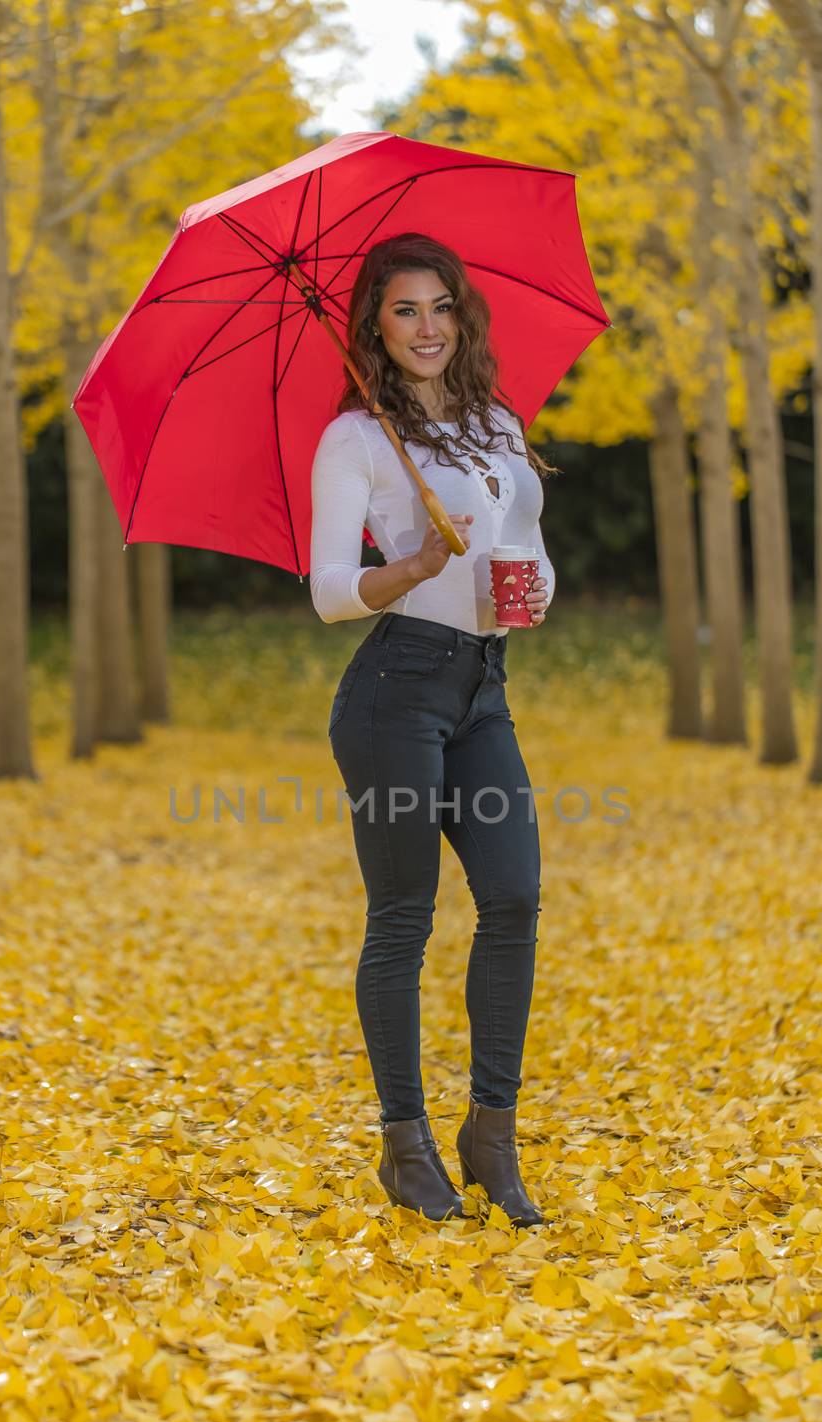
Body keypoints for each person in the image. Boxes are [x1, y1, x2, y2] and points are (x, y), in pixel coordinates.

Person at [309, 232, 557, 1228]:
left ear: (463, 317)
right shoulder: (356, 441)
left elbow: (523, 545)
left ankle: (488, 1136)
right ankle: (404, 1146)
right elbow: (329, 590)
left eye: (440, 307)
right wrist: (405, 568)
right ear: (375, 323)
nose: (425, 327)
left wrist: (532, 586)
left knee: (512, 896)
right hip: (392, 693)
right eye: (404, 309)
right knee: (403, 915)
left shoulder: (498, 423)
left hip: (481, 688)